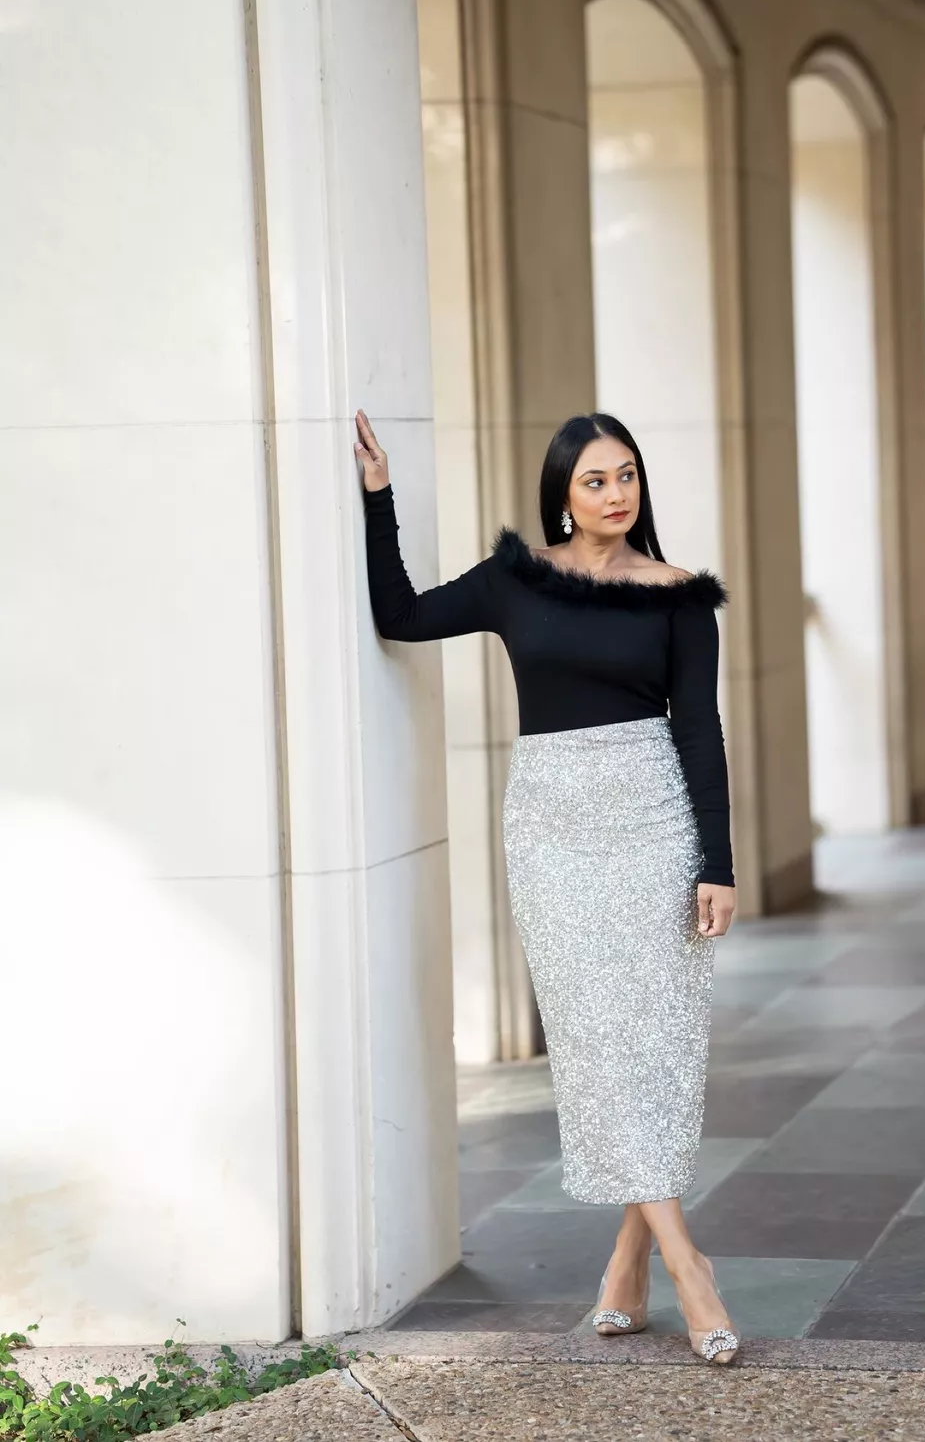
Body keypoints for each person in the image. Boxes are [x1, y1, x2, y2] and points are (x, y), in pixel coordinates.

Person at [355, 408, 740, 1364]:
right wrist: (378, 500)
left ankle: (631, 1260)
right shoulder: (514, 578)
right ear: (561, 494)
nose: (616, 495)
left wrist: (716, 862)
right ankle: (687, 1261)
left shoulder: (680, 596)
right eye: (595, 481)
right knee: (594, 1039)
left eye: (627, 477)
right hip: (552, 831)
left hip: (653, 822)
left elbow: (700, 729)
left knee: (652, 1039)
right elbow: (400, 616)